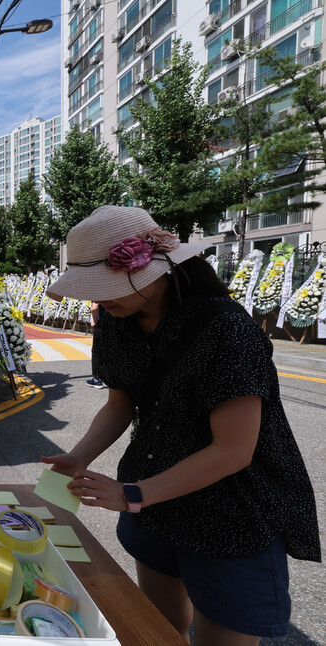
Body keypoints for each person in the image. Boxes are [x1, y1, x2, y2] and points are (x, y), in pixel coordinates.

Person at [41, 206, 320, 645]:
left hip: (230, 517)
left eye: (104, 286)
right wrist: (79, 456)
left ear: (155, 268)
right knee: (159, 628)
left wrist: (131, 494)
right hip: (154, 506)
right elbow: (121, 402)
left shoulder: (226, 329)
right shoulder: (117, 321)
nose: (97, 302)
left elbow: (233, 450)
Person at [85, 303, 108, 389]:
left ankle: (97, 379)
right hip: (113, 321)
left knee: (96, 351)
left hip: (101, 323)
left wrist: (94, 321)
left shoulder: (99, 289)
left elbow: (95, 307)